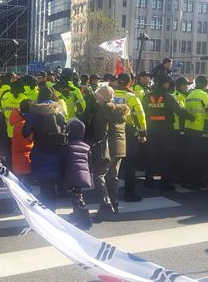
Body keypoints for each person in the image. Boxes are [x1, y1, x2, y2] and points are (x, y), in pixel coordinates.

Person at [143, 75, 193, 190]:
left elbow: (143, 111)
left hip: (151, 130)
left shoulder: (147, 96)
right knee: (166, 156)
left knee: (151, 155)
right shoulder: (169, 97)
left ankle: (148, 181)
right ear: (165, 84)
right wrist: (191, 117)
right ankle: (165, 183)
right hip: (166, 130)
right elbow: (179, 111)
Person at [23, 86, 67, 212]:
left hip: (41, 151)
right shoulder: (59, 109)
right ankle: (53, 211)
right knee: (53, 184)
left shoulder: (35, 111)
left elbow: (25, 131)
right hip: (57, 151)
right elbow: (64, 126)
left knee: (44, 184)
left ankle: (47, 214)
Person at [91, 86, 129, 222]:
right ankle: (114, 205)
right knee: (113, 177)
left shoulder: (104, 111)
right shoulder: (118, 110)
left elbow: (101, 132)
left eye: (97, 96)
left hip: (108, 147)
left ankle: (106, 206)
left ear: (102, 97)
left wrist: (94, 144)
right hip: (120, 147)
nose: (96, 99)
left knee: (98, 176)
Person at [113, 73, 146, 201]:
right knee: (130, 164)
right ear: (130, 83)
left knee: (111, 164)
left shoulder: (111, 95)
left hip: (111, 130)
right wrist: (143, 134)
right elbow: (141, 116)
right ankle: (129, 194)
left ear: (117, 82)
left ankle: (108, 195)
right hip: (128, 131)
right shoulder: (132, 97)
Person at [183, 75, 208, 190]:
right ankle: (196, 182)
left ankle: (187, 181)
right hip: (200, 129)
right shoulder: (204, 96)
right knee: (199, 158)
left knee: (190, 158)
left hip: (189, 128)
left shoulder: (190, 95)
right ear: (206, 84)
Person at [63, 118, 93, 230]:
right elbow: (90, 163)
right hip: (84, 174)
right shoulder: (86, 146)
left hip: (72, 174)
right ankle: (77, 213)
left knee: (77, 197)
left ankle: (85, 218)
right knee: (78, 194)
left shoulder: (68, 146)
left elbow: (64, 160)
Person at [11, 99, 34, 185]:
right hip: (26, 157)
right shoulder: (25, 124)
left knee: (20, 181)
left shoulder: (17, 122)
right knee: (27, 184)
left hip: (16, 157)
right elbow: (28, 140)